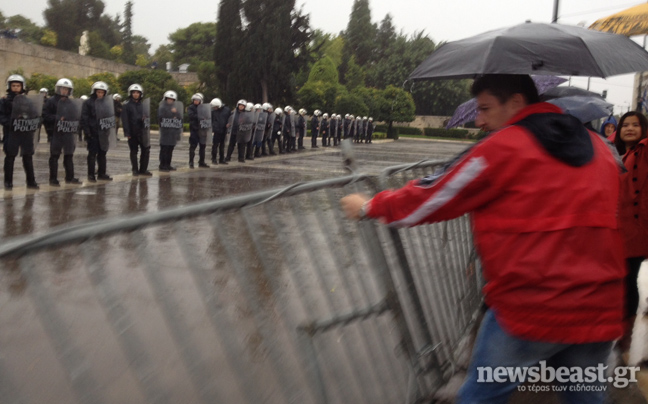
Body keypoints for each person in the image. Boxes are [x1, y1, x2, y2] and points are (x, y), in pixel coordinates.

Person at [341, 74, 625, 403]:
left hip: (530, 308)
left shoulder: (504, 147)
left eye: (486, 108)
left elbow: (435, 196)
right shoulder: (599, 149)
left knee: (479, 397)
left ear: (517, 102)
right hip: (599, 305)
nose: (479, 119)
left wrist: (370, 206)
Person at [614, 111, 648, 351]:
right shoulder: (623, 155)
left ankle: (626, 337)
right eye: (625, 125)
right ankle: (626, 334)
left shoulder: (644, 150)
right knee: (627, 281)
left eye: (636, 125)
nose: (630, 128)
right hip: (627, 230)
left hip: (638, 228)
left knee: (627, 282)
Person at [0, 74, 39, 189]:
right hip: (11, 133)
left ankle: (31, 181)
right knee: (10, 157)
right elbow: (1, 116)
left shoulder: (27, 101)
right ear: (9, 86)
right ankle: (8, 182)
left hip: (25, 132)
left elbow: (34, 114)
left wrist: (32, 121)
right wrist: (10, 123)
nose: (16, 87)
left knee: (27, 156)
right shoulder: (4, 101)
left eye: (18, 85)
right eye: (14, 85)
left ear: (22, 87)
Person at [43, 78, 82, 186]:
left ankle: (70, 177)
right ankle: (53, 179)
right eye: (63, 88)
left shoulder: (71, 103)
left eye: (67, 89)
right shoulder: (51, 101)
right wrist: (57, 118)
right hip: (55, 133)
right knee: (55, 156)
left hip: (68, 132)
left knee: (69, 155)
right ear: (58, 89)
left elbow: (75, 116)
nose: (64, 91)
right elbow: (45, 116)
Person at [81, 81, 113, 182]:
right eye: (98, 92)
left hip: (103, 132)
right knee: (92, 155)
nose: (100, 94)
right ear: (94, 92)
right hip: (93, 132)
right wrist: (87, 132)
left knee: (102, 154)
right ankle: (91, 174)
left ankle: (101, 173)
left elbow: (109, 117)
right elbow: (84, 118)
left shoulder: (106, 103)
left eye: (102, 92)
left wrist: (108, 129)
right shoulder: (88, 103)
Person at [121, 84, 152, 176]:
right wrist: (127, 133)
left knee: (146, 150)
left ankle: (143, 169)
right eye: (133, 92)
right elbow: (125, 120)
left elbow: (147, 117)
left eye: (137, 92)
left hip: (142, 132)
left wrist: (145, 119)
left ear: (140, 94)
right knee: (134, 151)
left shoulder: (143, 105)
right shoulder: (126, 105)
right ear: (130, 93)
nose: (135, 94)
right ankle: (135, 169)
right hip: (132, 132)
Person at [158, 90, 182, 172]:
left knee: (170, 149)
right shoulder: (162, 108)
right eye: (169, 99)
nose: (170, 100)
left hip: (173, 132)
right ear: (165, 99)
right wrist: (171, 114)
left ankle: (168, 164)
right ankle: (162, 165)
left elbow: (179, 118)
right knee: (164, 149)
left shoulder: (175, 108)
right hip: (165, 132)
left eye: (172, 99)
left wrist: (175, 113)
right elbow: (160, 117)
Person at [187, 93, 209, 168]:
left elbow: (207, 116)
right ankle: (191, 162)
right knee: (193, 146)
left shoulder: (203, 108)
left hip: (202, 129)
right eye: (195, 100)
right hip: (194, 129)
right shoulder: (191, 107)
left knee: (202, 146)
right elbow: (191, 115)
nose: (196, 101)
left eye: (198, 100)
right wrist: (200, 116)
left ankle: (201, 162)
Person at [210, 98, 230, 165]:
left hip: (224, 129)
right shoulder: (213, 111)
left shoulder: (226, 110)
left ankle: (221, 159)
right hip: (216, 130)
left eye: (215, 107)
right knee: (215, 145)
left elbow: (230, 118)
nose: (214, 108)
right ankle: (214, 159)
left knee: (222, 145)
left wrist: (229, 123)